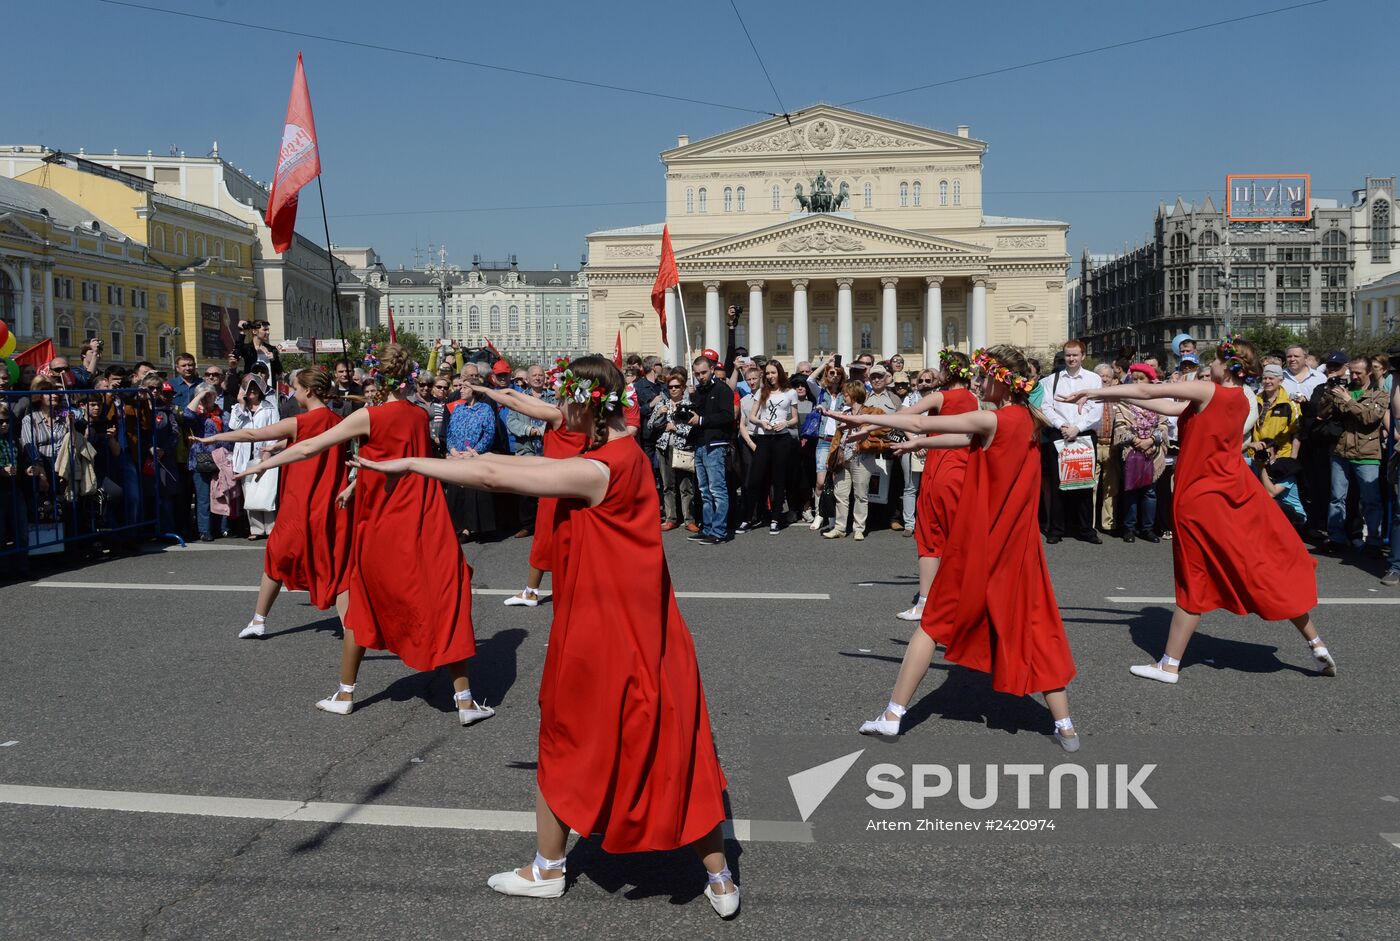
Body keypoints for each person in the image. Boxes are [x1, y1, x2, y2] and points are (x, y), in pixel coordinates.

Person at [351, 356, 738, 918]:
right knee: (673, 744)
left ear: (586, 403)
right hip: (653, 628)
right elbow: (504, 460)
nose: (558, 413)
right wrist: (478, 452)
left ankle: (548, 868)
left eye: (567, 402)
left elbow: (495, 476)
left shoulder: (598, 467)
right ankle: (720, 877)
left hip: (600, 634)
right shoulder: (621, 447)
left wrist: (411, 463)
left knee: (563, 738)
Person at [831, 346, 1081, 751]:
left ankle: (893, 715)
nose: (978, 384)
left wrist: (861, 417)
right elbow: (961, 436)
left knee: (931, 626)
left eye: (984, 378)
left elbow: (930, 420)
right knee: (1035, 627)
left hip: (980, 546)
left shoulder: (992, 418)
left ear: (1003, 381)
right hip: (1018, 552)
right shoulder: (1030, 422)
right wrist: (918, 446)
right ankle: (1065, 726)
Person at [235, 343, 493, 724]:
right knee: (443, 601)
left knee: (363, 605)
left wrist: (264, 462)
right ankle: (465, 701)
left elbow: (309, 447)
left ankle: (345, 692)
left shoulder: (369, 417)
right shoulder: (419, 415)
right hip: (428, 518)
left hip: (384, 524)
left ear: (376, 377)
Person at [1060, 334, 1336, 684]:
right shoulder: (1242, 400)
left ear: (1229, 366)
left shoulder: (1211, 393)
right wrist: (1115, 393)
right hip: (1236, 494)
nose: (1209, 369)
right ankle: (1316, 643)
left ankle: (1170, 665)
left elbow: (1148, 392)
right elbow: (1165, 405)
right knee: (1265, 568)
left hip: (1201, 498)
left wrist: (1095, 392)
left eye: (1214, 363)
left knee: (1194, 578)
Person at [194, 369, 353, 638]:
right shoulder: (339, 421)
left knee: (276, 559)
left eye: (296, 389)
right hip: (331, 503)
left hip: (300, 502)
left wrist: (213, 438)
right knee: (335, 566)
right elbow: (303, 442)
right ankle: (352, 630)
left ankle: (259, 620)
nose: (293, 394)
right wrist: (279, 446)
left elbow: (253, 434)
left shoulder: (299, 422)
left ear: (308, 391)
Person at [478, 377, 588, 607]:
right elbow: (530, 401)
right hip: (575, 483)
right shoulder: (581, 414)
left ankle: (532, 591)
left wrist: (486, 391)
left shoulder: (560, 416)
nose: (553, 387)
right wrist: (510, 390)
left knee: (545, 538)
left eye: (558, 384)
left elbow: (520, 407)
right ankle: (546, 589)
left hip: (555, 484)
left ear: (567, 391)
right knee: (570, 538)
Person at [886, 352, 977, 620]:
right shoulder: (971, 399)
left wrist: (913, 438)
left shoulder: (942, 397)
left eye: (940, 370)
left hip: (941, 469)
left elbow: (905, 415)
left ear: (947, 372)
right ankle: (958, 597)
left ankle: (925, 602)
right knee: (956, 535)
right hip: (963, 469)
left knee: (929, 537)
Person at [1315, 355, 1387, 555]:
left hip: (1367, 454)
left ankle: (1374, 541)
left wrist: (1348, 400)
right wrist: (1330, 394)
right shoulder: (1343, 390)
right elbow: (1321, 413)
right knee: (1337, 498)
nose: (1354, 376)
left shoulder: (1379, 394)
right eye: (1351, 372)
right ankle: (1336, 537)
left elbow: (1370, 418)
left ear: (1369, 373)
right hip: (1340, 452)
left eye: (1358, 373)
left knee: (1371, 500)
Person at [1039, 339, 1104, 544]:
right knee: (1059, 483)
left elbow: (1097, 409)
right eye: (1068, 355)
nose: (1071, 358)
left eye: (1075, 355)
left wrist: (1078, 427)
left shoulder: (1093, 379)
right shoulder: (1052, 379)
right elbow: (1046, 407)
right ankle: (1057, 529)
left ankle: (1086, 530)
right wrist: (1062, 426)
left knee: (1084, 483)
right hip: (1060, 434)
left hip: (1084, 434)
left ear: (1083, 356)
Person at [739, 360, 799, 534]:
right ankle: (748, 518)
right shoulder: (761, 391)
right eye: (768, 373)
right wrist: (761, 422)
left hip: (782, 440)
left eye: (773, 372)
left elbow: (795, 419)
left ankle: (775, 519)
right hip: (763, 439)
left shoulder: (790, 393)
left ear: (779, 373)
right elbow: (751, 416)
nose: (770, 376)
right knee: (754, 480)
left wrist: (785, 423)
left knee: (779, 480)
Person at [1112, 365, 1167, 543]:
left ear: (1150, 380)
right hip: (1132, 451)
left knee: (1150, 492)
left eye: (1141, 379)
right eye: (1134, 379)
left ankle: (1147, 528)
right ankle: (1129, 528)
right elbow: (1120, 427)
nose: (1137, 382)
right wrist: (1137, 442)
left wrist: (1151, 441)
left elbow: (1164, 425)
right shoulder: (1124, 402)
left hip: (1152, 450)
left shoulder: (1158, 401)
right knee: (1131, 490)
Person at [823, 381, 885, 540]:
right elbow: (837, 438)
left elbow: (885, 426)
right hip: (843, 458)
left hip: (862, 458)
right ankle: (840, 528)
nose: (844, 397)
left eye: (846, 394)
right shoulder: (845, 412)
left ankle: (859, 528)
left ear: (854, 395)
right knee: (841, 494)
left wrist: (865, 430)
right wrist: (831, 457)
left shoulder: (872, 412)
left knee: (861, 495)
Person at [686, 353, 735, 545]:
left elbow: (727, 416)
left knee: (717, 490)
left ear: (712, 370)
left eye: (704, 372)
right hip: (699, 443)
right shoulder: (698, 390)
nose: (700, 377)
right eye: (697, 374)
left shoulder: (722, 389)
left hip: (715, 445)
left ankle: (719, 531)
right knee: (704, 490)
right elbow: (695, 413)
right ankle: (707, 528)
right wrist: (691, 399)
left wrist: (702, 420)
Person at [444, 379, 498, 542]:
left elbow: (489, 432)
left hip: (474, 455)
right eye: (460, 386)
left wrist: (475, 451)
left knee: (473, 492)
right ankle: (462, 528)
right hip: (457, 455)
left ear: (474, 390)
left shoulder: (485, 409)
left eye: (465, 387)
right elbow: (450, 431)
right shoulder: (458, 408)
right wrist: (452, 449)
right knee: (457, 493)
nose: (460, 390)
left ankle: (477, 527)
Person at [228, 375, 280, 540]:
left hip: (263, 453)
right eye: (248, 389)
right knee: (249, 493)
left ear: (260, 391)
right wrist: (241, 405)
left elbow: (276, 430)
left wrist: (269, 450)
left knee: (266, 491)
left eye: (254, 389)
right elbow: (233, 427)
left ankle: (271, 527)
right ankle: (256, 529)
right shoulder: (237, 408)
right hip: (244, 456)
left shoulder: (269, 408)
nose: (251, 392)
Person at [650, 370, 697, 533]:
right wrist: (659, 415)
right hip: (663, 448)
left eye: (677, 386)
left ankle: (689, 518)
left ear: (683, 387)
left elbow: (692, 428)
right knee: (667, 485)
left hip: (683, 447)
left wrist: (675, 428)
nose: (673, 389)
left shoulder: (690, 403)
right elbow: (651, 426)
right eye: (670, 387)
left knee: (686, 485)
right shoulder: (662, 403)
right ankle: (671, 518)